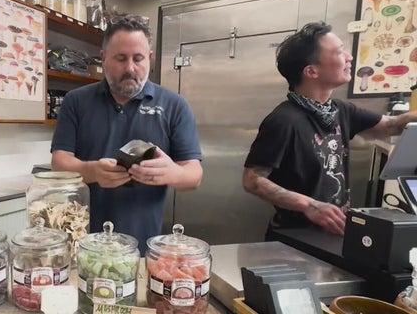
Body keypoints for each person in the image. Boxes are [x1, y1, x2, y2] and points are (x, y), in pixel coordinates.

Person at [243, 21, 417, 240]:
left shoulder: (341, 110)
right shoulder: (284, 120)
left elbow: (392, 125)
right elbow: (252, 179)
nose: (349, 58)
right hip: (293, 239)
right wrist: (309, 205)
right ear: (312, 71)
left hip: (334, 234)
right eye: (339, 52)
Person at [50, 14, 203, 253]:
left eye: (138, 59)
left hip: (144, 244)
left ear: (149, 59)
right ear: (103, 59)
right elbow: (59, 163)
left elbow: (194, 175)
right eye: (121, 59)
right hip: (81, 242)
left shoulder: (174, 105)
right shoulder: (76, 101)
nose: (130, 68)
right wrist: (92, 172)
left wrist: (172, 173)